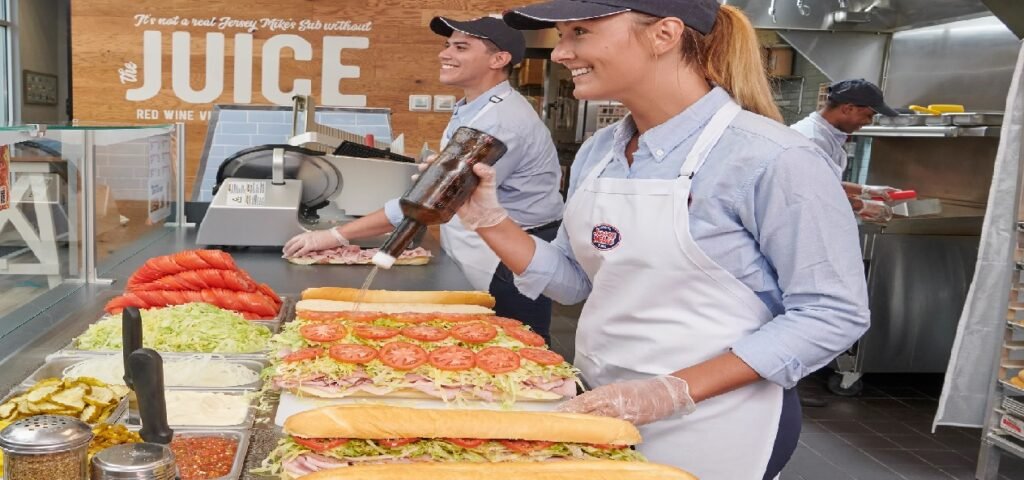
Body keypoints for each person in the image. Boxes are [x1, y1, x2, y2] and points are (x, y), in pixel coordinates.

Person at [442, 1, 870, 478]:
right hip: (604, 406)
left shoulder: (773, 157)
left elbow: (833, 312)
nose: (561, 53)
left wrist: (667, 391)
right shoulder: (600, 151)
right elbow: (574, 282)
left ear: (664, 35)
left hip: (717, 421)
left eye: (579, 32)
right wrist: (489, 219)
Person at [283, 16, 564, 342]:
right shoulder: (475, 107)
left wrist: (333, 236)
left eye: (461, 47)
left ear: (499, 59)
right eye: (446, 45)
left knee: (516, 348)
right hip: (482, 246)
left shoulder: (501, 120)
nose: (445, 54)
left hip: (512, 258)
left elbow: (433, 199)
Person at [791, 79, 903, 223]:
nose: (869, 121)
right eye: (869, 115)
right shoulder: (813, 140)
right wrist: (862, 205)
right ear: (848, 109)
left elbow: (826, 183)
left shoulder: (826, 136)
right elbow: (813, 194)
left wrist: (866, 190)